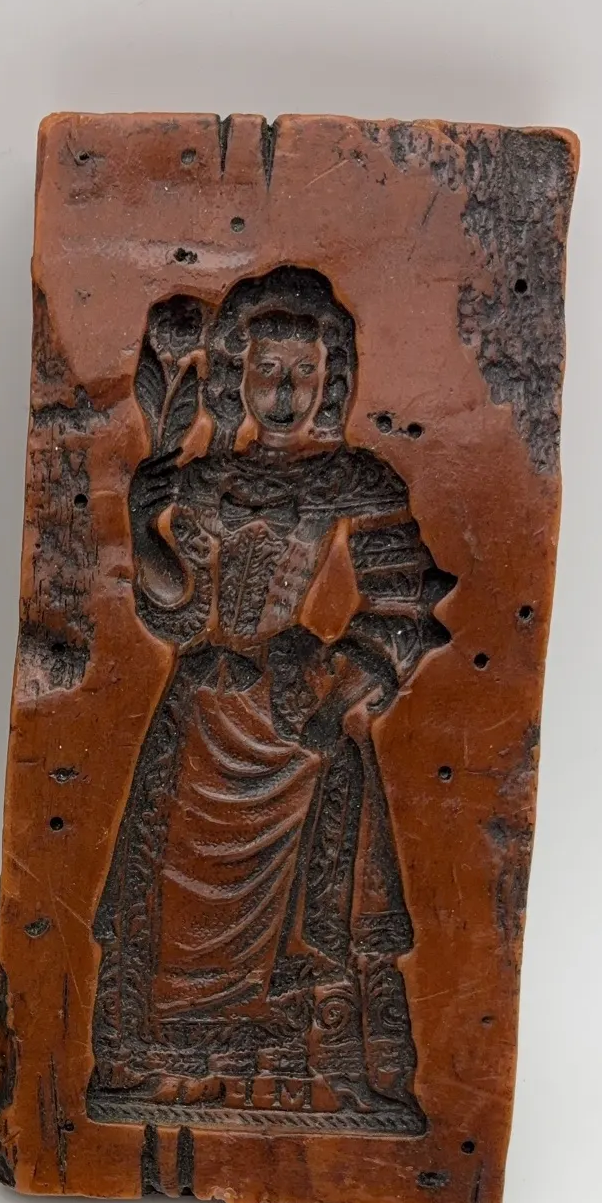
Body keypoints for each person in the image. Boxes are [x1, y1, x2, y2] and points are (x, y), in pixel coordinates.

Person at [89, 267, 454, 1129]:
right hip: (203, 707)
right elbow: (176, 615)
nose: (283, 394)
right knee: (171, 891)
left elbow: (401, 601)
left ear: (330, 380)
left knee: (317, 907)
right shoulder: (207, 480)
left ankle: (336, 1072)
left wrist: (338, 699)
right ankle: (163, 1069)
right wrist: (142, 528)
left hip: (295, 712)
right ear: (236, 376)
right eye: (266, 372)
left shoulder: (355, 478)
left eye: (301, 373)